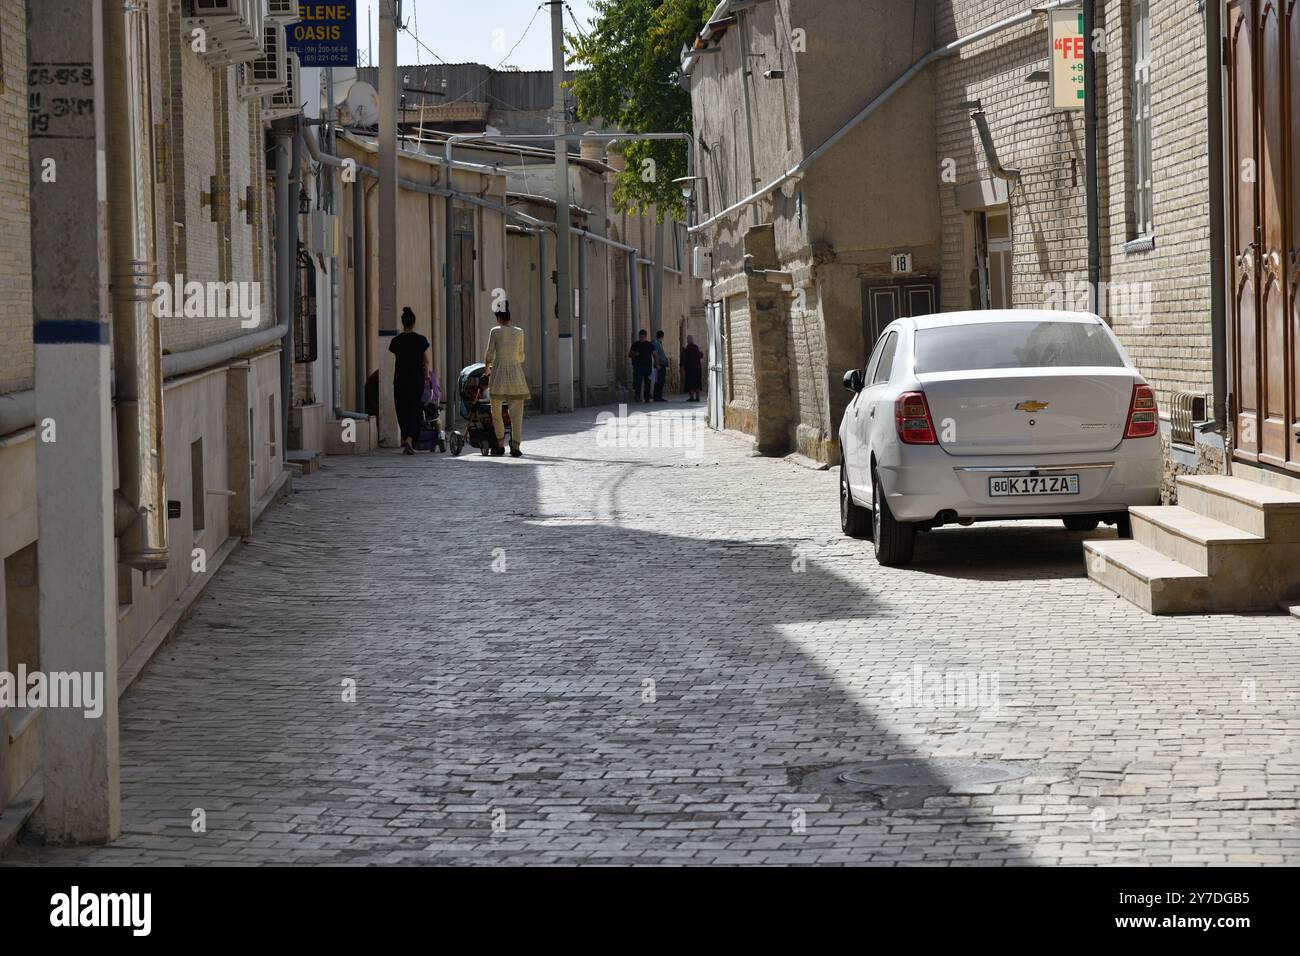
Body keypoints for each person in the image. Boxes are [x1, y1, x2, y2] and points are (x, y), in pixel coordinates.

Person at [484, 303, 529, 457]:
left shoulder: (495, 331)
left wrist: (487, 368)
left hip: (498, 376)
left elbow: (489, 353)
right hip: (516, 375)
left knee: (495, 411)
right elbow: (521, 356)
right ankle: (516, 447)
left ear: (498, 317)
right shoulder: (519, 332)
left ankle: (500, 444)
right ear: (510, 316)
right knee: (517, 413)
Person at [388, 306, 429, 455]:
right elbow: (426, 361)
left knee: (402, 410)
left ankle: (407, 438)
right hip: (416, 380)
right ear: (414, 322)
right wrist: (426, 376)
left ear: (402, 323)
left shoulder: (396, 341)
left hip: (400, 380)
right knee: (415, 409)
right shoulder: (421, 340)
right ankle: (410, 439)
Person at [629, 330, 655, 403]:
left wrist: (657, 364)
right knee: (637, 383)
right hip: (638, 367)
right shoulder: (635, 344)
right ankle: (637, 397)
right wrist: (635, 354)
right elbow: (630, 355)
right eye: (640, 337)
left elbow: (654, 354)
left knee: (648, 383)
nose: (641, 338)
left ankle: (646, 398)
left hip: (648, 367)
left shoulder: (649, 344)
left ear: (645, 337)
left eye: (643, 337)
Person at [681, 334, 703, 402]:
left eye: (688, 339)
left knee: (690, 383)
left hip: (690, 369)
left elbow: (685, 358)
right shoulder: (696, 347)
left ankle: (692, 397)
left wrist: (682, 367)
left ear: (688, 340)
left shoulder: (687, 348)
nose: (688, 340)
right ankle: (697, 397)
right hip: (697, 368)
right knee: (697, 383)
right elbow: (701, 355)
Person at [652, 330, 670, 402]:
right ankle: (657, 397)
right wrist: (657, 364)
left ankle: (659, 396)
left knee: (661, 380)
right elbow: (655, 354)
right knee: (659, 381)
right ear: (662, 336)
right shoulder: (656, 343)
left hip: (662, 364)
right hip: (659, 365)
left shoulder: (659, 343)